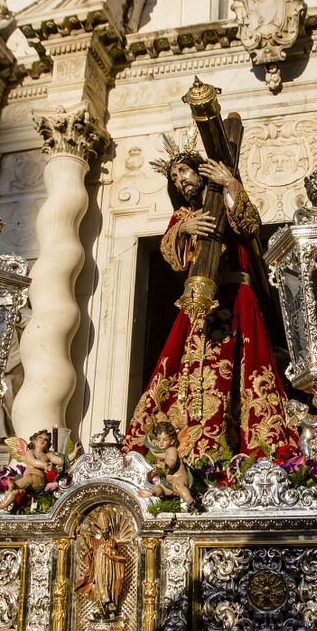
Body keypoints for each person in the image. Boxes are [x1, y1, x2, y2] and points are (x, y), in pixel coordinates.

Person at [123, 143, 291, 464]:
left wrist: (230, 183)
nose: (180, 180)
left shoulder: (224, 199)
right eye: (174, 176)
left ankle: (254, 451)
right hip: (198, 305)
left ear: (199, 170)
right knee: (185, 369)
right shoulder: (183, 216)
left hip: (236, 298)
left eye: (183, 171)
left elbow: (250, 225)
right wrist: (183, 230)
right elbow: (172, 256)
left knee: (246, 367)